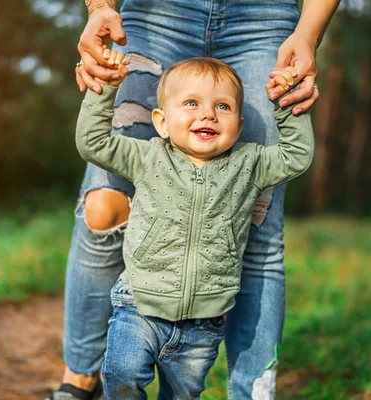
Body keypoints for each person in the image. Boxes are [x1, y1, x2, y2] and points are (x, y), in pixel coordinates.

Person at [48, 1, 339, 399]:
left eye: (222, 108)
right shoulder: (149, 156)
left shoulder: (248, 162)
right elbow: (94, 142)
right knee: (102, 204)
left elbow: (295, 156)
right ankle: (81, 379)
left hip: (265, 18)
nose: (208, 115)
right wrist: (101, 12)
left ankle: (253, 393)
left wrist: (306, 37)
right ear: (161, 121)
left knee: (261, 232)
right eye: (192, 106)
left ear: (240, 126)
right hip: (156, 14)